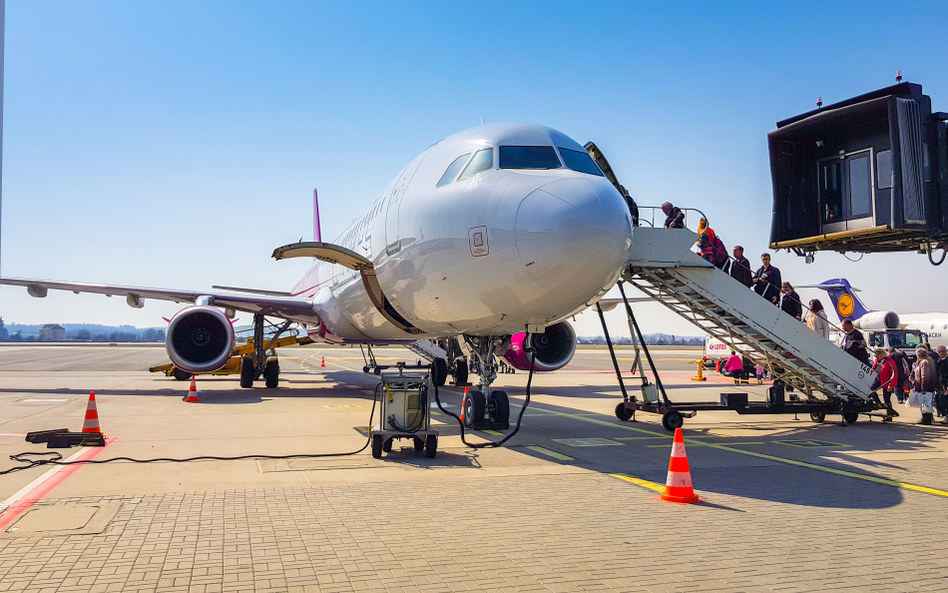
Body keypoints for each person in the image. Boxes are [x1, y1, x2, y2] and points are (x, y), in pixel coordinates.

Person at [911, 346, 938, 425]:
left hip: (925, 388)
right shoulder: (927, 361)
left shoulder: (924, 362)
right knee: (926, 403)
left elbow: (924, 376)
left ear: (918, 356)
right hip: (927, 387)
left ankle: (926, 420)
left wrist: (923, 388)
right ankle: (925, 419)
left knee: (925, 403)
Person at [870, 348, 900, 419]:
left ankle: (889, 415)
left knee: (887, 399)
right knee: (870, 390)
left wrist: (891, 385)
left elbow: (894, 374)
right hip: (878, 379)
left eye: (877, 356)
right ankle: (878, 402)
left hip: (887, 381)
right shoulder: (877, 361)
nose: (876, 358)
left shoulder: (889, 362)